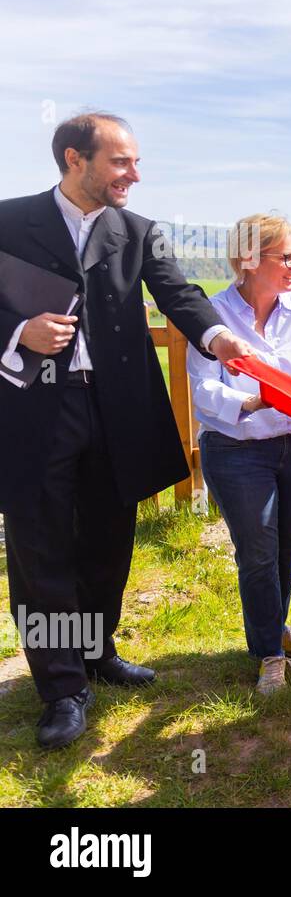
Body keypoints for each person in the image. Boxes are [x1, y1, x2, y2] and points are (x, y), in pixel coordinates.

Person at [0, 112, 253, 750]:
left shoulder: (139, 232)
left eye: (135, 162)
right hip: (34, 412)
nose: (134, 175)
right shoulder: (6, 222)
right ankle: (60, 688)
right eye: (121, 162)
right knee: (41, 550)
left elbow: (181, 294)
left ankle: (95, 652)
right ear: (73, 159)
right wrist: (17, 332)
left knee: (110, 542)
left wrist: (220, 338)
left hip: (117, 412)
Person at [187, 213, 291, 696]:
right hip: (237, 450)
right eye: (286, 256)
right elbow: (202, 392)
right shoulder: (210, 316)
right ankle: (270, 655)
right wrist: (252, 401)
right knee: (257, 553)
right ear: (248, 259)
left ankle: (274, 630)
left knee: (286, 545)